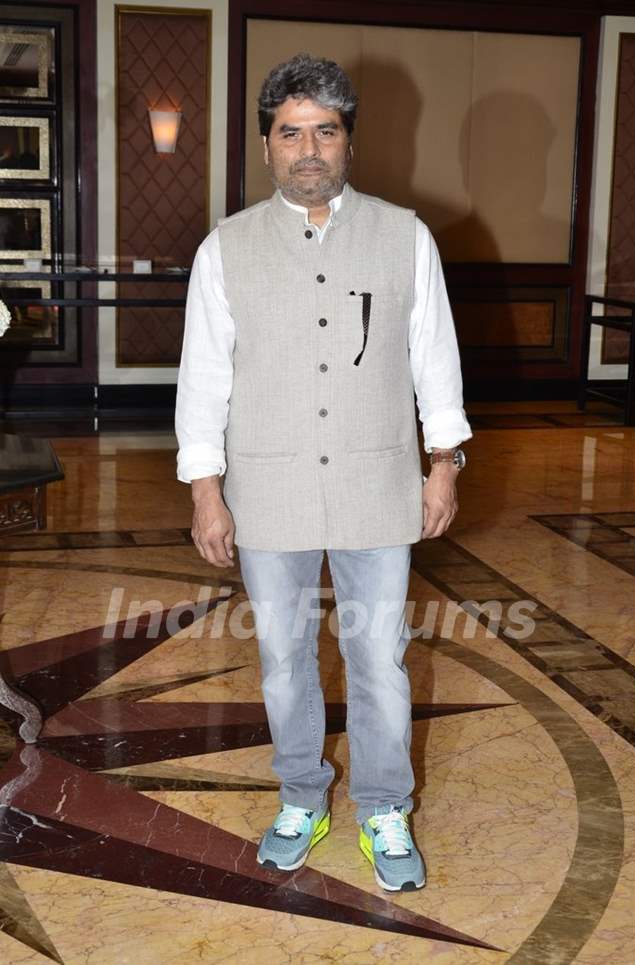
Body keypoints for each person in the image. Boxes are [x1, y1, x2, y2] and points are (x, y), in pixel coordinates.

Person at [175, 53, 472, 893]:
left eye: (325, 133)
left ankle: (384, 807)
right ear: (267, 146)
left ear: (348, 143)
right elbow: (204, 378)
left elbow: (434, 361)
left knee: (379, 657)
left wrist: (442, 463)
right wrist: (206, 488)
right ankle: (302, 795)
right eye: (290, 133)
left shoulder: (404, 236)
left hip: (379, 487)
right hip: (266, 490)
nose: (309, 149)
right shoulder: (224, 249)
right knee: (281, 656)